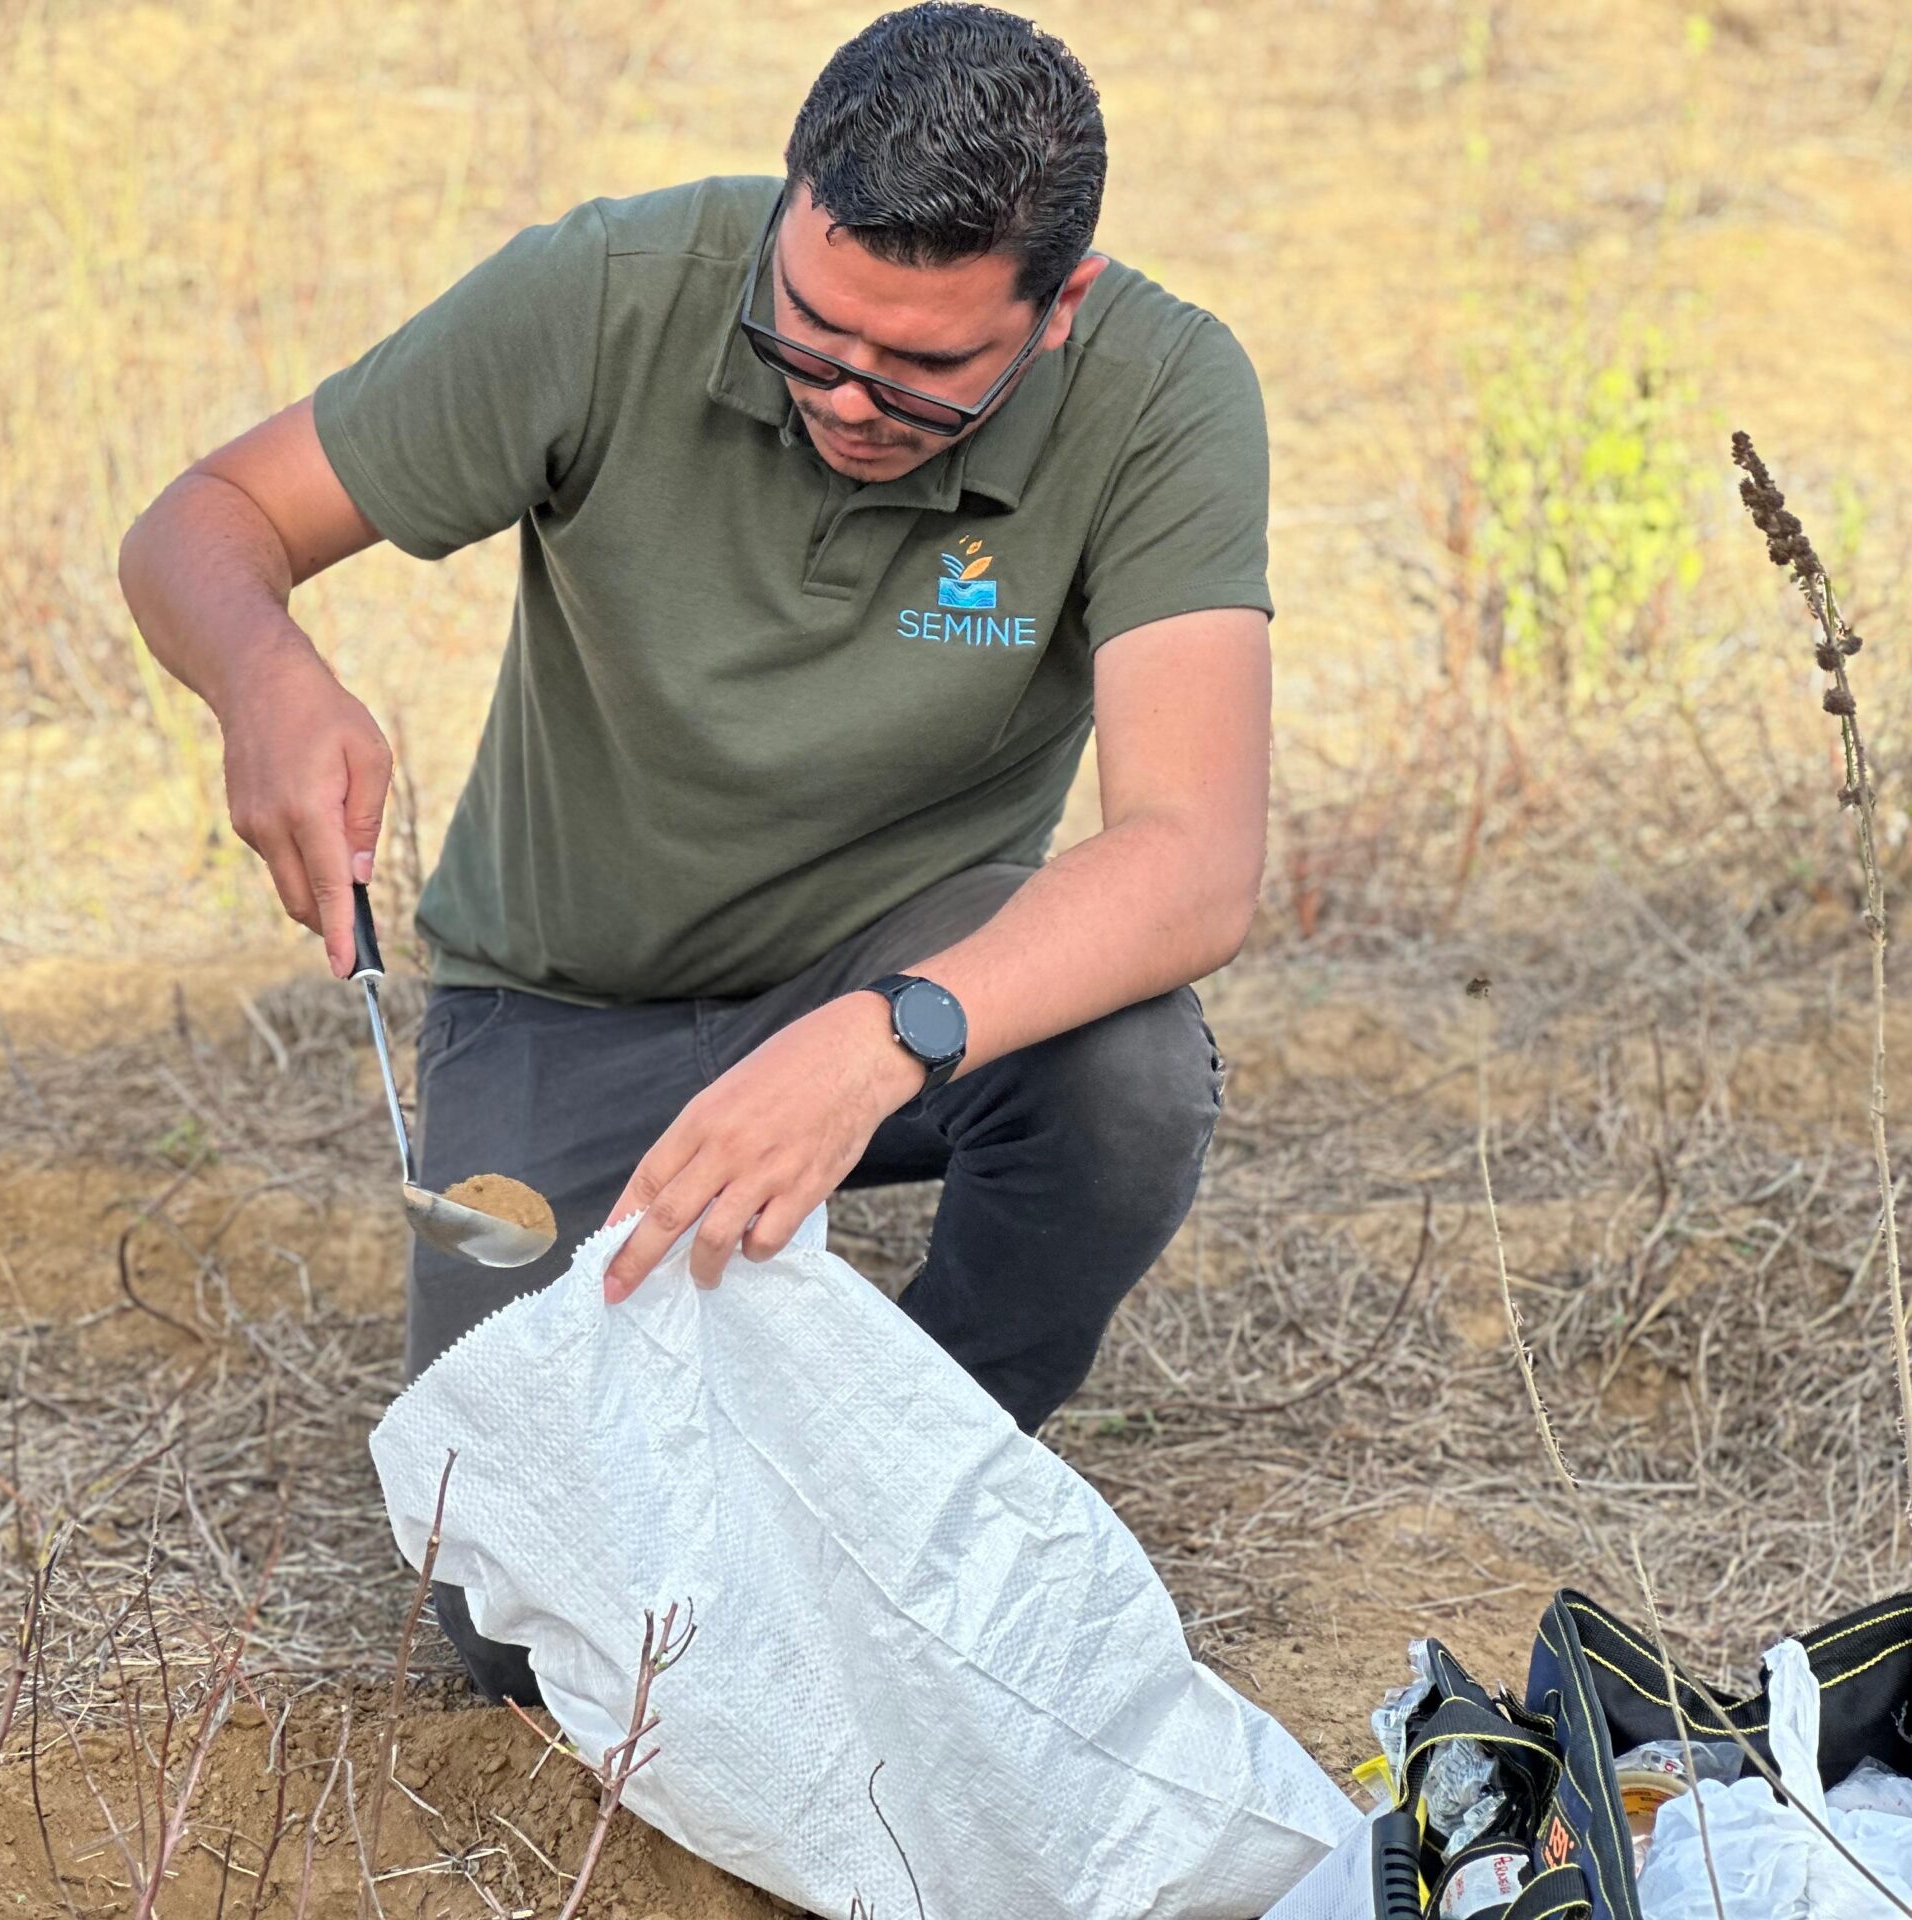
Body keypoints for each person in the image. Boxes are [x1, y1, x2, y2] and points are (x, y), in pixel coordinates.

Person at [119, 2, 1273, 1707]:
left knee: (1129, 1072)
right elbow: (204, 523)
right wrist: (263, 677)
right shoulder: (610, 290)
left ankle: (910, 1492)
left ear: (1060, 306)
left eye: (922, 372)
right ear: (789, 208)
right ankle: (707, 1500)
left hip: (897, 962)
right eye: (810, 333)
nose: (847, 398)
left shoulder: (1164, 387)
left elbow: (1193, 856)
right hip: (563, 996)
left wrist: (879, 1040)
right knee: (516, 1623)